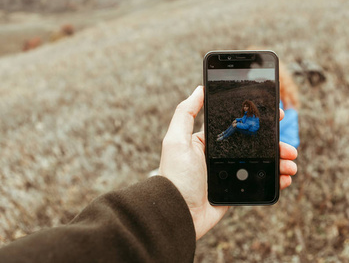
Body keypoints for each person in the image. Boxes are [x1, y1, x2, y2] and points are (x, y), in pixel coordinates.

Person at [0, 86, 298, 263]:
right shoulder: (252, 112)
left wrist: (173, 201)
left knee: (233, 130)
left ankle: (220, 140)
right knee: (231, 129)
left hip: (250, 137)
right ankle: (220, 140)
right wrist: (175, 202)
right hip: (240, 142)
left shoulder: (264, 115)